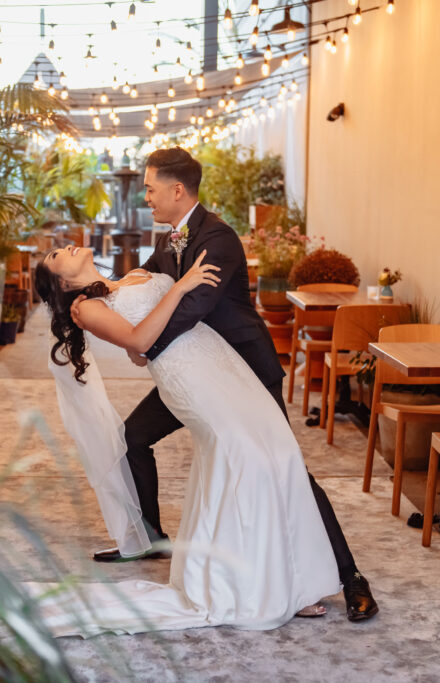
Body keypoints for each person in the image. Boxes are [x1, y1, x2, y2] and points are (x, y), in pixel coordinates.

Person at [72, 147, 378, 622]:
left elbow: (193, 307)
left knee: (284, 466)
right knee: (133, 437)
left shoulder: (219, 239)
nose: (146, 198)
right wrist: (94, 300)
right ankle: (153, 540)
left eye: (151, 189)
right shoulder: (172, 238)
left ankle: (350, 575)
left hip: (245, 373)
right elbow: (141, 282)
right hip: (192, 376)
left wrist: (142, 345)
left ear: (178, 190)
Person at [33, 244, 340, 635]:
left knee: (278, 450)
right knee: (242, 457)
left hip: (219, 361)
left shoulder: (120, 282)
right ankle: (251, 586)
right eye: (58, 254)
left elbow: (138, 352)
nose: (65, 246)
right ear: (61, 281)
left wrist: (144, 336)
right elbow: (141, 341)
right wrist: (179, 288)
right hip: (190, 379)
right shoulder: (84, 308)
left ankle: (294, 581)